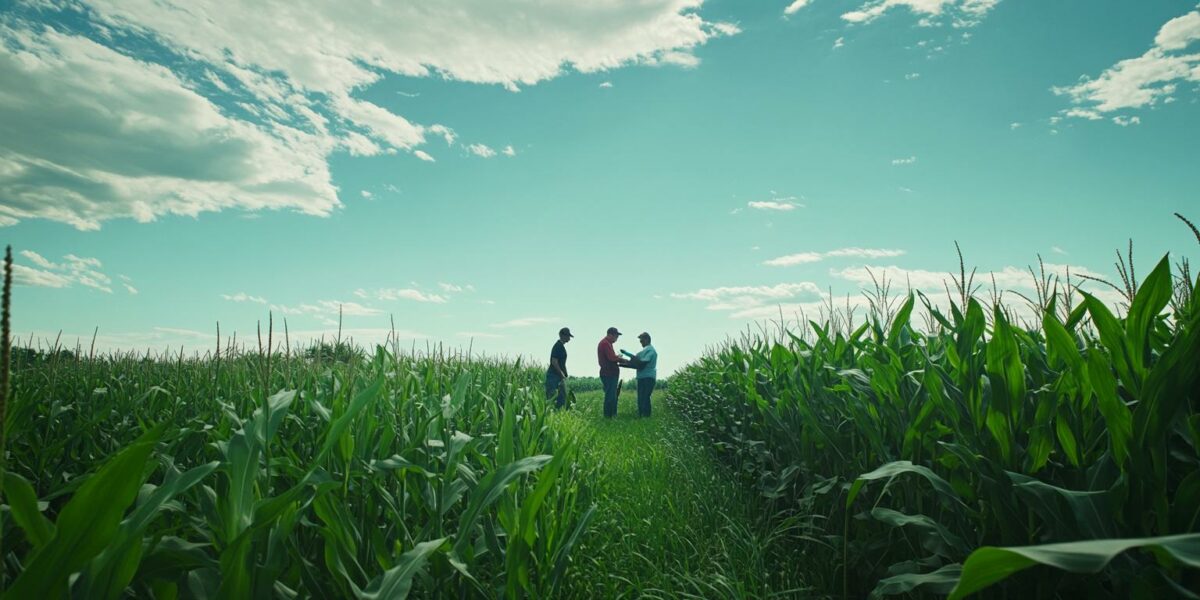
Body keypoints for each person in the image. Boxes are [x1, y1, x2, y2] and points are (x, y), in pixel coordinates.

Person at [620, 332, 658, 417]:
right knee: (641, 398)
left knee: (645, 398)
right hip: (642, 377)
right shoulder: (644, 351)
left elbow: (641, 364)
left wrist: (627, 355)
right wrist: (623, 364)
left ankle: (646, 417)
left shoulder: (651, 351)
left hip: (648, 377)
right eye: (640, 341)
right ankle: (641, 416)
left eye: (642, 341)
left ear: (647, 339)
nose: (641, 343)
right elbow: (636, 363)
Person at [597, 326, 623, 418]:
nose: (617, 338)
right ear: (610, 334)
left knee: (612, 395)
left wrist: (617, 357)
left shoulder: (607, 343)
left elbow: (611, 357)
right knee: (610, 396)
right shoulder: (605, 343)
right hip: (609, 374)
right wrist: (621, 359)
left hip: (610, 373)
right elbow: (611, 358)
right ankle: (608, 416)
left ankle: (612, 415)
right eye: (616, 336)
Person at [546, 327, 573, 409]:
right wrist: (561, 373)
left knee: (562, 397)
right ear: (562, 335)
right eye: (568, 336)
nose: (569, 338)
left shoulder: (561, 346)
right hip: (553, 376)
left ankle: (558, 413)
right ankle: (551, 415)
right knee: (552, 397)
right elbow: (554, 362)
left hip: (558, 376)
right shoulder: (558, 346)